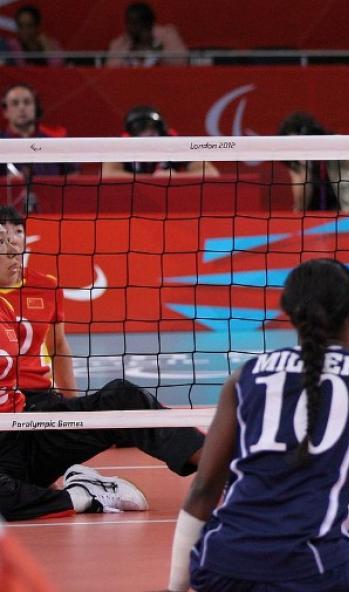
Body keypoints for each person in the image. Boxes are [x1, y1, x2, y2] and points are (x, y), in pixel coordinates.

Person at [166, 259, 349, 592]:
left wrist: (175, 589)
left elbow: (203, 489)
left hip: (219, 564)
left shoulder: (244, 376)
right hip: (313, 569)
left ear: (290, 314)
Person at [0, 222, 207, 522]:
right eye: (2, 243)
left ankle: (225, 466)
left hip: (26, 427)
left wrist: (70, 407)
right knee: (6, 500)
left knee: (122, 397)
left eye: (14, 240)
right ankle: (87, 494)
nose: (14, 251)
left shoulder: (5, 311)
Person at [0, 206, 74, 399]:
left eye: (18, 231)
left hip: (38, 393)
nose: (13, 239)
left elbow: (57, 346)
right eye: (5, 233)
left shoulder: (47, 286)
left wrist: (73, 402)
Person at [276, 112, 349, 213]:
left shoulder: (334, 141)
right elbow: (301, 205)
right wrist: (304, 168)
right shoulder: (297, 161)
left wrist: (336, 151)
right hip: (316, 217)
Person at [102, 105, 218, 178]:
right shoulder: (121, 146)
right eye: (140, 131)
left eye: (151, 131)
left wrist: (176, 177)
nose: (146, 136)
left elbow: (211, 173)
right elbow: (107, 174)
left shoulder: (177, 144)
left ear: (161, 130)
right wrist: (152, 180)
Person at [0, 84, 75, 176]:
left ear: (35, 107)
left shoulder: (56, 140)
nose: (21, 108)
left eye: (27, 102)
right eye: (15, 103)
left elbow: (73, 174)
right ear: (5, 112)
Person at [105, 2, 188, 67]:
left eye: (134, 23)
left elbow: (181, 62)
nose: (130, 27)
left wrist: (154, 46)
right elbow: (110, 68)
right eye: (128, 23)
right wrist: (129, 49)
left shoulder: (167, 35)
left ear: (148, 23)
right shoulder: (120, 42)